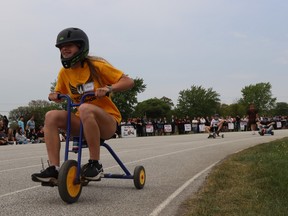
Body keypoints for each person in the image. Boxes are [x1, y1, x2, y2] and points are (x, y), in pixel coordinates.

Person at [31, 27, 134, 183]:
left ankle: (95, 164)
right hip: (82, 122)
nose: (64, 49)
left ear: (80, 47)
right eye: (61, 47)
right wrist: (54, 95)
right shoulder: (64, 73)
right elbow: (59, 92)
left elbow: (128, 81)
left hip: (107, 123)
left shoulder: (97, 66)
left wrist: (108, 88)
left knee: (85, 108)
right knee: (50, 115)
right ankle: (54, 169)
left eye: (69, 45)